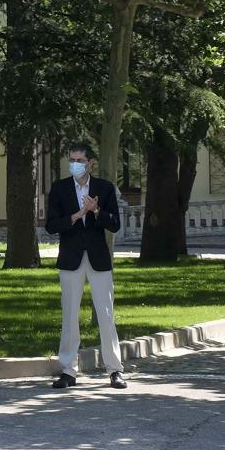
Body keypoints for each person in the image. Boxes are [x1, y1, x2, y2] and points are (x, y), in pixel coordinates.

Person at [46, 142, 126, 389]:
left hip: (98, 259)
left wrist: (96, 210)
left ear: (90, 163)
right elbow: (51, 225)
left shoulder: (104, 188)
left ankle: (115, 370)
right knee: (70, 315)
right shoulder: (60, 189)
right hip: (71, 259)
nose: (75, 164)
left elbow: (114, 224)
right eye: (72, 160)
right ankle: (68, 370)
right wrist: (74, 217)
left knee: (106, 314)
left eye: (80, 160)